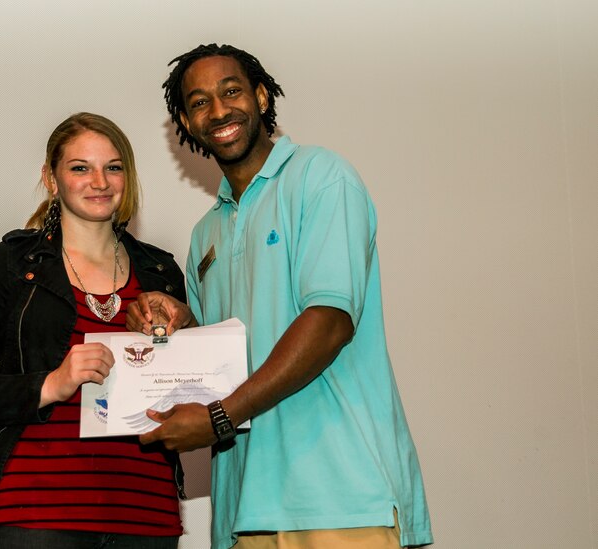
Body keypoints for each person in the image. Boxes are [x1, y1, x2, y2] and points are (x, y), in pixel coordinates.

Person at [125, 44, 433, 549]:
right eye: (200, 102)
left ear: (261, 96)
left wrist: (219, 417)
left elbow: (330, 321)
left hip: (341, 495)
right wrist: (180, 323)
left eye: (231, 91)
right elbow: (215, 364)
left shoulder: (322, 177)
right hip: (245, 509)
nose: (219, 111)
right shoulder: (206, 235)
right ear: (185, 119)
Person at [0, 112, 186, 549]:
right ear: (51, 179)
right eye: (80, 167)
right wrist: (51, 384)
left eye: (113, 167)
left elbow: (190, 392)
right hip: (38, 516)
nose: (100, 181)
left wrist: (186, 329)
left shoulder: (161, 272)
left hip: (148, 517)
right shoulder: (10, 266)